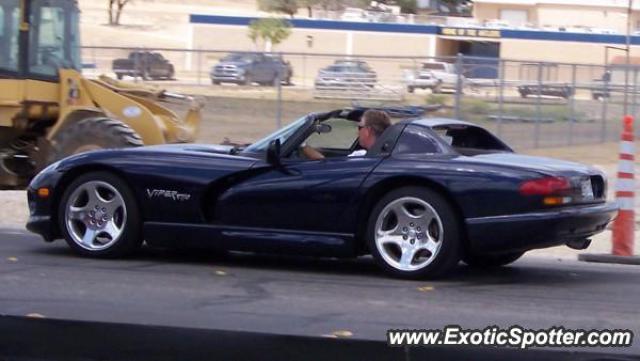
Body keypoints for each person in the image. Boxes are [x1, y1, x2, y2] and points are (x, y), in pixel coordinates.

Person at [301, 109, 391, 160]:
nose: (357, 132)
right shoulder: (387, 156)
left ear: (368, 131)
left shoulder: (360, 157)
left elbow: (329, 167)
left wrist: (303, 145)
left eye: (359, 127)